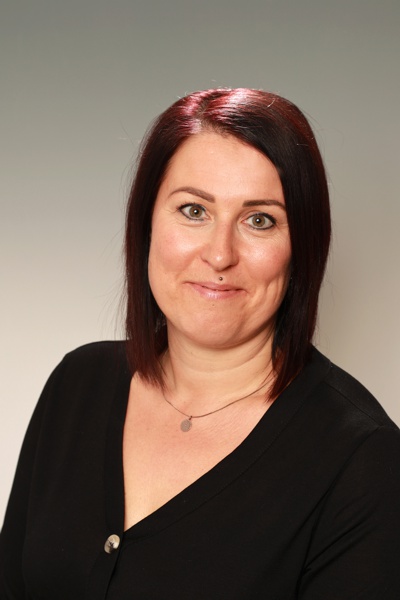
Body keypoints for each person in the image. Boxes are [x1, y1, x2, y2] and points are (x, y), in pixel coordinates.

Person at [1, 88, 399, 599]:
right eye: (193, 210)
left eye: (259, 220)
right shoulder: (77, 384)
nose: (219, 254)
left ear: (302, 246)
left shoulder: (363, 460)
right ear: (147, 223)